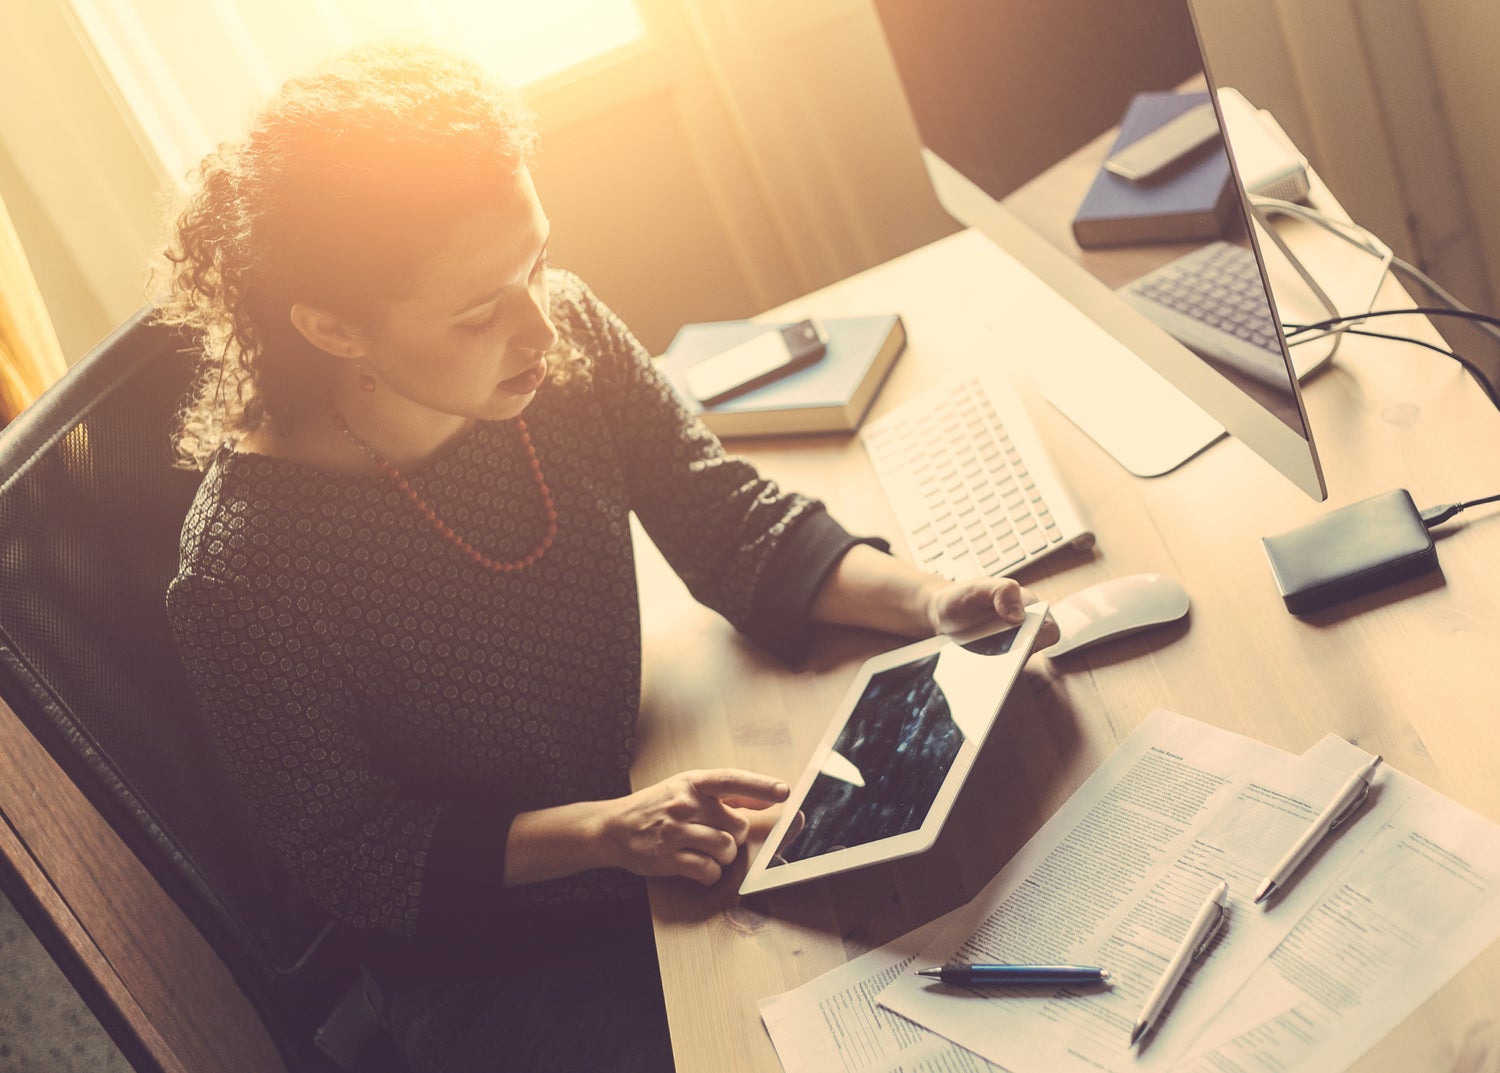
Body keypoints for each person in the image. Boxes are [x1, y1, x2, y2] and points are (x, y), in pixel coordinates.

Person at [157, 43, 1056, 1073]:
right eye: (479, 311)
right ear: (331, 326)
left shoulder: (565, 336)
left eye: (535, 263)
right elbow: (355, 856)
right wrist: (602, 832)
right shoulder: (242, 575)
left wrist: (935, 602)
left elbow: (725, 517)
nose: (539, 325)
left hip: (656, 827)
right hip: (501, 959)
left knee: (984, 914)